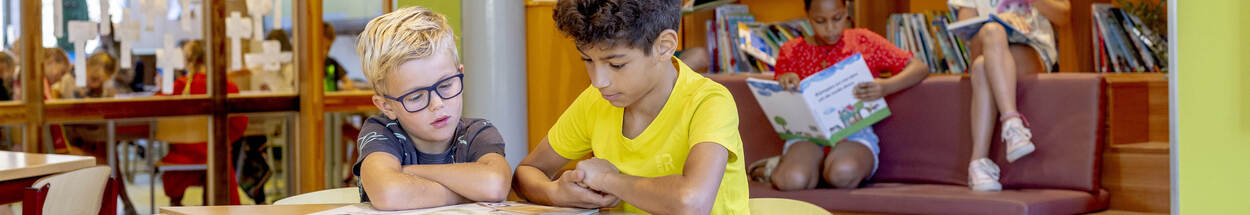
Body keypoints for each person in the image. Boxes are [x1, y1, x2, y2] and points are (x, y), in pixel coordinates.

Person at [513, 0, 748, 214]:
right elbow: (527, 171)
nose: (598, 81)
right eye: (588, 60)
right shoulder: (595, 101)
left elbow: (692, 203)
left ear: (664, 47)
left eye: (616, 64)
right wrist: (554, 192)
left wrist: (607, 180)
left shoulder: (709, 101)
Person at [746, 0, 929, 191]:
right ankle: (782, 168)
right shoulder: (792, 51)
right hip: (809, 137)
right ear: (807, 16)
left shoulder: (863, 41)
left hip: (855, 134)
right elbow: (781, 103)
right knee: (791, 180)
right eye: (820, 21)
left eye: (837, 18)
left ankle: (816, 168)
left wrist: (886, 87)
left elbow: (919, 67)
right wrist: (784, 81)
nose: (830, 28)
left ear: (846, 10)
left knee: (842, 173)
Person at [352, 6, 511, 210]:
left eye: (445, 85)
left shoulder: (478, 132)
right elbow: (389, 193)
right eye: (416, 97)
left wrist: (407, 172)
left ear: (460, 74)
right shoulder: (382, 132)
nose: (437, 104)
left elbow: (495, 185)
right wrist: (468, 193)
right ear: (386, 106)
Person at [952, 0, 1069, 191]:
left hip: (1030, 48)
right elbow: (964, 27)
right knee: (992, 31)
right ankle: (1012, 123)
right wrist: (997, 21)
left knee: (982, 67)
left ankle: (978, 162)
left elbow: (1063, 16)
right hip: (984, 42)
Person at [155, 40, 249, 206]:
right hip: (216, 155)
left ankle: (176, 205)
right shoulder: (226, 86)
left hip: (181, 157)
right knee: (222, 155)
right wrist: (222, 140)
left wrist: (161, 89)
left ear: (187, 61)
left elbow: (155, 110)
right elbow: (239, 125)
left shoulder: (179, 86)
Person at [323, 23, 355, 91]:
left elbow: (349, 83)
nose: (325, 52)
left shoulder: (332, 62)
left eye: (328, 48)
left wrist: (340, 88)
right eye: (321, 47)